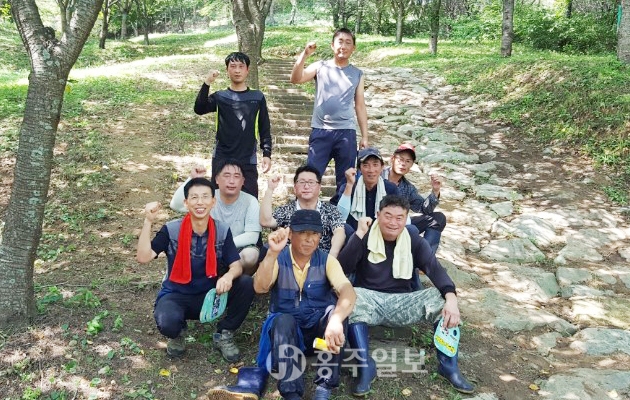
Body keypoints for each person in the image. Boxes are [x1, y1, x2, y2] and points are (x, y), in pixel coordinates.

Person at [209, 210, 356, 400]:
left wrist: (335, 320)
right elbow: (260, 287)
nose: (309, 239)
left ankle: (324, 388)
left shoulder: (327, 261)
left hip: (318, 337)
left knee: (335, 314)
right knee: (283, 320)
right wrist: (272, 253)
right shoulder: (279, 258)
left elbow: (347, 291)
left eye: (314, 233)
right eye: (303, 233)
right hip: (286, 336)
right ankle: (291, 393)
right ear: (291, 234)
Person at [337, 195, 475, 395]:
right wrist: (358, 235)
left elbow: (435, 269)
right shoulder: (365, 235)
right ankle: (366, 366)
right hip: (370, 301)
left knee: (439, 298)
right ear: (378, 215)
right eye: (388, 216)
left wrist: (451, 299)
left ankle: (448, 366)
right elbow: (342, 268)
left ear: (406, 218)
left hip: (403, 303)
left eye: (399, 217)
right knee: (352, 296)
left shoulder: (413, 240)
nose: (393, 223)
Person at [136, 177, 254, 362]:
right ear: (186, 202)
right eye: (194, 197)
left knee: (246, 283)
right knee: (167, 323)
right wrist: (148, 221)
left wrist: (228, 276)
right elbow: (143, 257)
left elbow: (236, 265)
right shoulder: (171, 230)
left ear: (213, 202)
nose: (200, 202)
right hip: (177, 294)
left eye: (205, 197)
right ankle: (178, 331)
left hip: (211, 294)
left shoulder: (222, 230)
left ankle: (224, 333)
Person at [290, 28, 368, 193]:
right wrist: (305, 55)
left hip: (346, 133)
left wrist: (365, 136)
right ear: (332, 45)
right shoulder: (320, 66)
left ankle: (341, 209)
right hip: (321, 131)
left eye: (348, 43)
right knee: (310, 177)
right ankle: (305, 208)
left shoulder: (357, 74)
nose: (343, 46)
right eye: (340, 42)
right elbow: (295, 79)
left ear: (353, 48)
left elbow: (360, 105)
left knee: (346, 181)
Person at [194, 51, 271, 198]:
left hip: (247, 158)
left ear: (247, 70)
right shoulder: (220, 97)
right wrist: (207, 83)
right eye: (233, 66)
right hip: (222, 156)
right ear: (227, 70)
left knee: (250, 199)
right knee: (218, 199)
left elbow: (264, 127)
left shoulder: (257, 97)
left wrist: (267, 154)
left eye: (241, 66)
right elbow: (199, 109)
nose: (237, 70)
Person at [170, 161, 262, 275]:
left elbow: (252, 236)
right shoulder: (209, 197)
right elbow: (175, 205)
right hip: (208, 246)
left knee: (250, 255)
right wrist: (192, 179)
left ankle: (237, 281)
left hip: (237, 248)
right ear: (217, 179)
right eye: (226, 175)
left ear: (243, 181)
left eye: (236, 176)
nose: (232, 181)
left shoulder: (251, 201)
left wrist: (223, 244)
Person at [260, 165, 346, 257]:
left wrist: (332, 256)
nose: (306, 186)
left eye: (311, 182)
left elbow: (339, 232)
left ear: (319, 187)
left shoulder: (330, 210)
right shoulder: (285, 210)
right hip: (289, 261)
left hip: (322, 260)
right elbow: (266, 222)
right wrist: (270, 189)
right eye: (302, 182)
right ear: (295, 188)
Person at [382, 143, 446, 254]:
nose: (403, 164)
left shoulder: (408, 188)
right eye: (400, 159)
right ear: (392, 159)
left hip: (399, 225)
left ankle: (425, 257)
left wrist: (435, 191)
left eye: (408, 161)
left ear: (411, 165)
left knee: (438, 218)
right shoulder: (378, 175)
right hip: (377, 221)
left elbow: (424, 209)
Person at [333, 147, 398, 235]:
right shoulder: (348, 186)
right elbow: (340, 216)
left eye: (375, 165)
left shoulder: (390, 188)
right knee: (343, 228)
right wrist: (349, 185)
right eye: (366, 165)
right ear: (359, 168)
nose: (371, 170)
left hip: (381, 234)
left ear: (382, 167)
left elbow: (398, 214)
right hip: (354, 235)